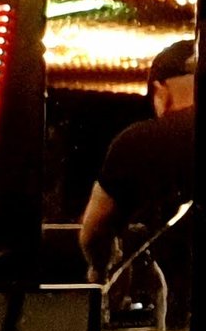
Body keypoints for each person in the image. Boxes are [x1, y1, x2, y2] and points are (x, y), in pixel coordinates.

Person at [81, 39, 197, 281]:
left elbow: (94, 230)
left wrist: (101, 268)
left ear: (160, 92)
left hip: (178, 297)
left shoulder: (139, 140)